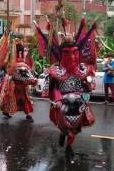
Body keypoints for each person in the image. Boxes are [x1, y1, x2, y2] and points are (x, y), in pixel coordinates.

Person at [34, 17, 97, 161]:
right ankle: (63, 133)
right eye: (68, 53)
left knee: (74, 130)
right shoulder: (56, 71)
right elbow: (54, 88)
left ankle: (69, 146)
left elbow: (88, 87)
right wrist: (58, 101)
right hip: (62, 103)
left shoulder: (83, 70)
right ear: (61, 54)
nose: (73, 56)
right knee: (65, 127)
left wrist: (84, 99)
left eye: (75, 52)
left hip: (78, 104)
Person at [0, 37, 37, 122]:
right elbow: (9, 68)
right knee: (12, 97)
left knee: (22, 98)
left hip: (18, 82)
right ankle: (9, 112)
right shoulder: (13, 55)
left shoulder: (17, 56)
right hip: (13, 81)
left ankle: (27, 113)